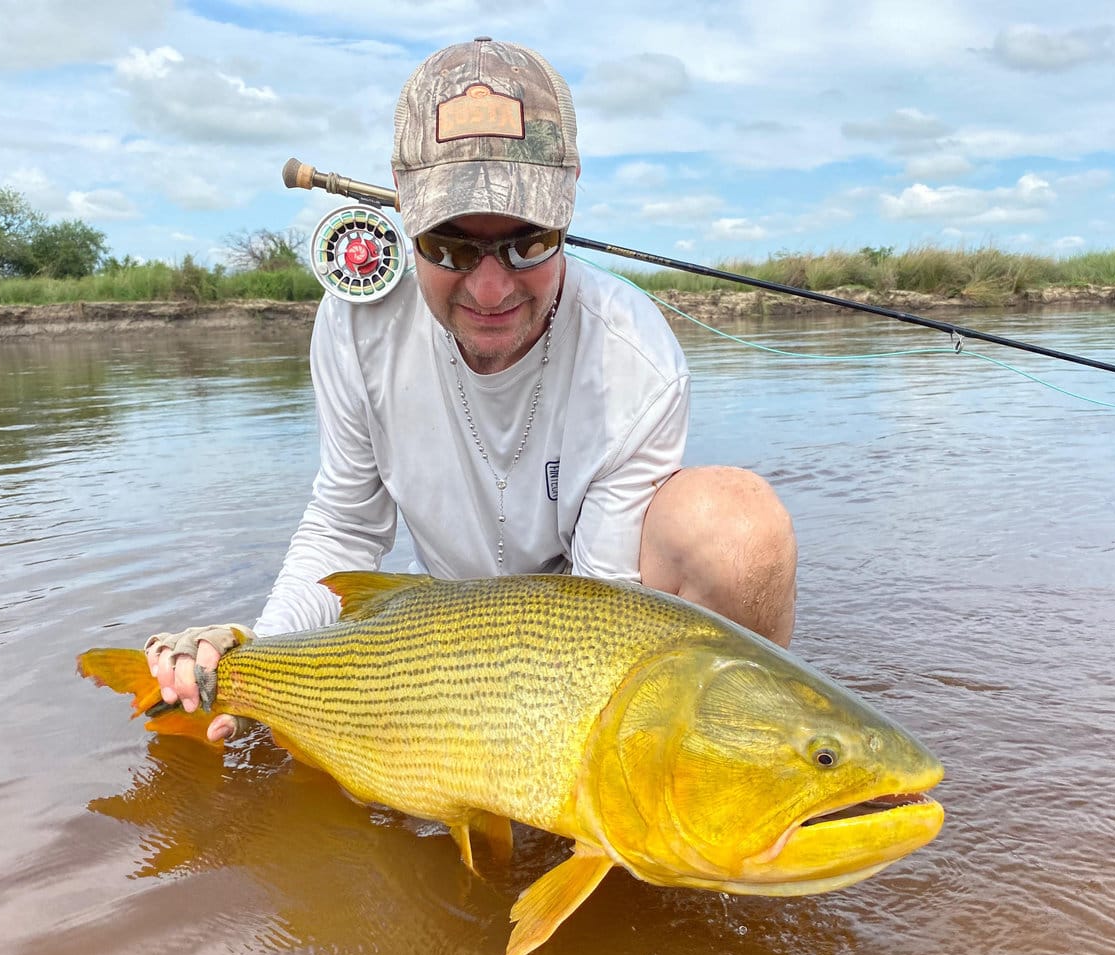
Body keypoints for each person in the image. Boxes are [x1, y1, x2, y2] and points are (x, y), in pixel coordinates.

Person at [147, 37, 797, 740]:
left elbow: (601, 603)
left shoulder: (633, 356)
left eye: (529, 242)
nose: (490, 290)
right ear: (402, 205)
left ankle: (737, 771)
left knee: (737, 528)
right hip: (446, 623)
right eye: (449, 246)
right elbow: (345, 527)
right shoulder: (357, 325)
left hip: (594, 601)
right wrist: (260, 662)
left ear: (570, 195)